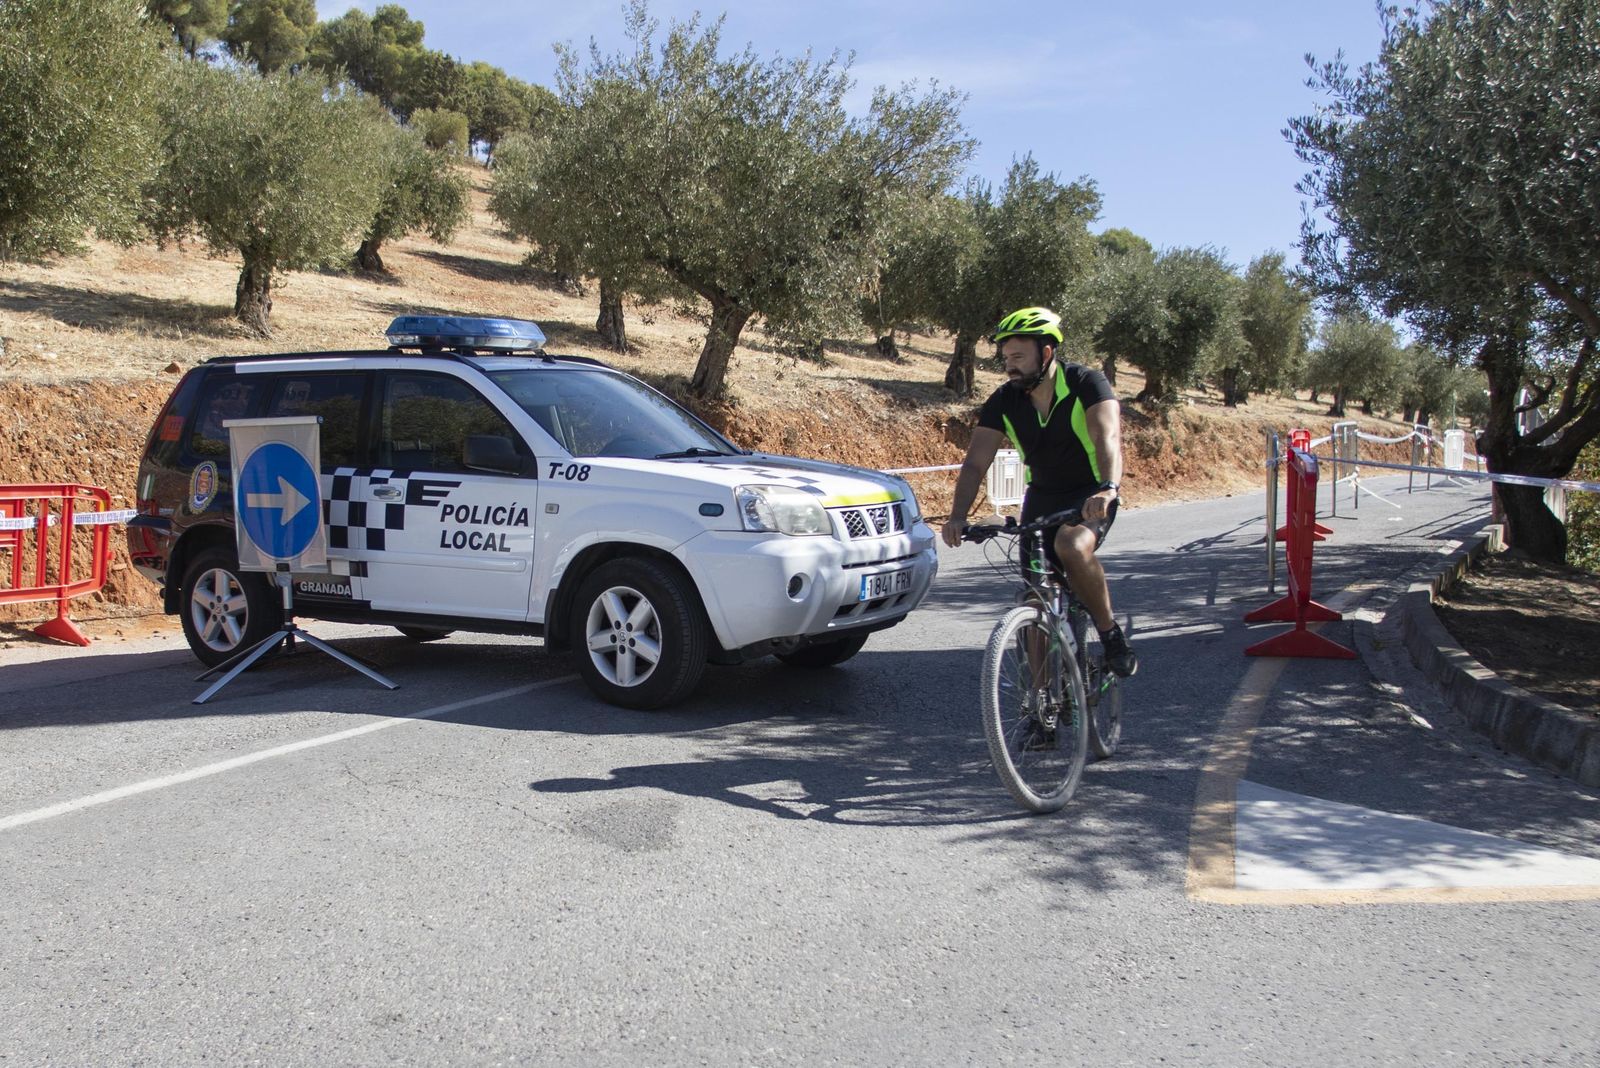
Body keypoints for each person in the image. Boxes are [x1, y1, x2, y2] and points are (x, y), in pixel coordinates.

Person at [939, 306, 1137, 677]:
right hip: (1042, 497)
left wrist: (1108, 488)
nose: (1009, 366)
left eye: (1018, 357)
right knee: (1034, 599)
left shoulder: (1086, 383)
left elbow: (1107, 437)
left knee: (1071, 546)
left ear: (1046, 353)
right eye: (1006, 358)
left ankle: (1110, 635)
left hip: (1089, 495)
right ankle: (1040, 714)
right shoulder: (1005, 400)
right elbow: (975, 463)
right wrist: (958, 516)